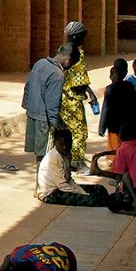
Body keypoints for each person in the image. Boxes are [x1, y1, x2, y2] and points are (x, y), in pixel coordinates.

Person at [22, 28, 72, 161]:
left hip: (33, 114)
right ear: (68, 59)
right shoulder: (57, 74)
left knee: (40, 153)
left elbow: (27, 87)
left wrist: (27, 107)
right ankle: (43, 175)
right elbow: (52, 103)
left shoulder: (40, 63)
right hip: (45, 119)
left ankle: (40, 174)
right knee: (46, 154)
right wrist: (55, 123)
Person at [60, 31, 99, 172]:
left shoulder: (61, 50)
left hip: (62, 97)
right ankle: (77, 162)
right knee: (79, 131)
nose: (84, 39)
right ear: (76, 36)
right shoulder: (78, 53)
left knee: (65, 131)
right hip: (73, 99)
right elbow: (79, 80)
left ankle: (64, 160)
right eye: (83, 36)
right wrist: (91, 94)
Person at [98, 58, 136, 150]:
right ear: (126, 72)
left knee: (115, 152)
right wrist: (135, 124)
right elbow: (134, 107)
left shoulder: (110, 89)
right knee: (127, 150)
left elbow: (106, 108)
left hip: (114, 127)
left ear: (113, 71)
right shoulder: (130, 87)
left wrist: (101, 128)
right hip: (129, 126)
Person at [36, 124, 74, 200]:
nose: (65, 147)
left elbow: (68, 178)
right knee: (91, 199)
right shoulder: (54, 157)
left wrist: (78, 188)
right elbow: (62, 185)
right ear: (54, 143)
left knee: (97, 189)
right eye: (61, 144)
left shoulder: (67, 154)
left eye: (68, 144)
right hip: (50, 194)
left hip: (62, 188)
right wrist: (80, 192)